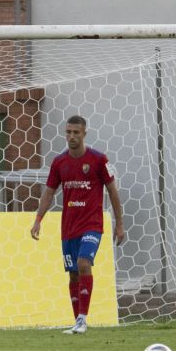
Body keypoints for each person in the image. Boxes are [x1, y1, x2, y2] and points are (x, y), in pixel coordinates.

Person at [30, 115, 126, 334]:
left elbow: (112, 191)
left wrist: (119, 224)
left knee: (84, 263)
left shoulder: (99, 160)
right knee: (73, 273)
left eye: (76, 132)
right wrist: (38, 219)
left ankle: (83, 319)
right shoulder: (59, 162)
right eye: (68, 132)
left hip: (92, 224)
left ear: (84, 133)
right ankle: (77, 322)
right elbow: (49, 193)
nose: (71, 136)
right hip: (69, 227)